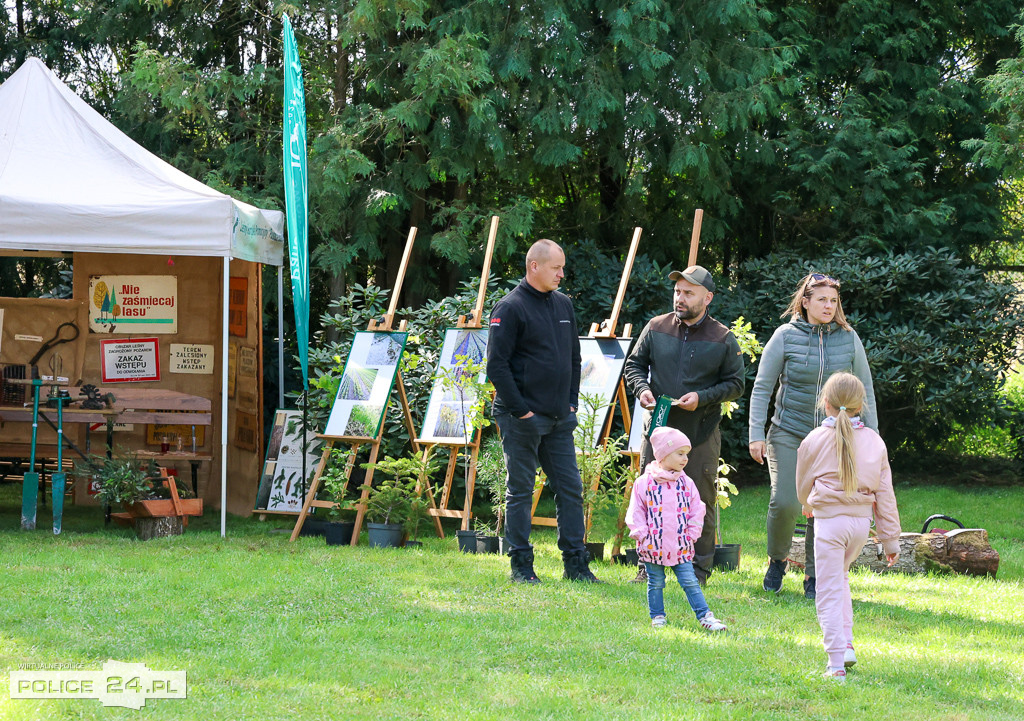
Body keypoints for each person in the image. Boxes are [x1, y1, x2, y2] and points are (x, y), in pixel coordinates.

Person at [748, 272, 878, 599]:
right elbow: (762, 387)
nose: (828, 306)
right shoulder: (785, 335)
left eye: (833, 301)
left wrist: (872, 438)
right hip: (788, 433)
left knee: (823, 506)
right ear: (805, 302)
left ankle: (814, 576)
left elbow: (867, 392)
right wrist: (755, 434)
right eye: (821, 299)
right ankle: (777, 559)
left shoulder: (849, 338)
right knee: (786, 501)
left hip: (833, 437)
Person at [486, 239, 600, 584]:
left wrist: (571, 404)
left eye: (562, 268)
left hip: (559, 419)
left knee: (570, 489)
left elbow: (574, 359)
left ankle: (576, 564)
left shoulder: (564, 305)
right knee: (520, 491)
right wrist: (522, 412)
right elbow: (497, 366)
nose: (562, 274)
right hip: (521, 419)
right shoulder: (510, 307)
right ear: (533, 266)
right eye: (556, 268)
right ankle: (521, 565)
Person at [623, 265, 745, 585]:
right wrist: (643, 389)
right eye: (678, 291)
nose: (680, 297)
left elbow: (736, 383)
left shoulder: (723, 337)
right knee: (651, 499)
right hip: (660, 431)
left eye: (688, 292)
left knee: (700, 503)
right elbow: (634, 366)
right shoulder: (655, 327)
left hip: (701, 433)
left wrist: (702, 397)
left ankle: (699, 571)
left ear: (708, 298)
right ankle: (647, 568)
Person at [796, 372, 900, 681]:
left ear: (824, 403)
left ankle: (836, 663)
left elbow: (802, 483)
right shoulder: (874, 441)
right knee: (840, 579)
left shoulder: (815, 439)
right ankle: (848, 645)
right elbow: (885, 494)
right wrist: (890, 540)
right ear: (860, 405)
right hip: (859, 525)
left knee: (827, 589)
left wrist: (807, 503)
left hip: (829, 524)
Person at [625, 426, 727, 631]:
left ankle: (705, 616)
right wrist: (642, 536)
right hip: (653, 546)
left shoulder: (686, 483)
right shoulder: (644, 483)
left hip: (681, 546)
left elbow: (697, 510)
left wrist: (691, 534)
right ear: (662, 455)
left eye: (686, 454)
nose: (685, 459)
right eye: (680, 454)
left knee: (690, 581)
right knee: (655, 582)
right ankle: (658, 616)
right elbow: (636, 510)